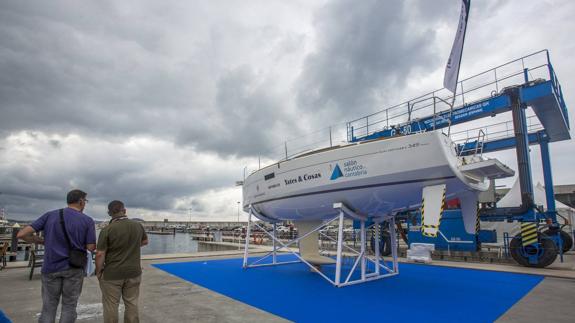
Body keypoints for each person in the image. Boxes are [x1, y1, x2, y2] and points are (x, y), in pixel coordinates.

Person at [17, 189, 96, 323]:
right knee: (69, 306)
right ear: (81, 202)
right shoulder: (87, 220)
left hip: (51, 267)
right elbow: (90, 247)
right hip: (74, 268)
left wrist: (42, 240)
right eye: (85, 201)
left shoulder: (50, 215)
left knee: (48, 307)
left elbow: (22, 234)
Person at [96, 200, 148, 323]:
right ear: (124, 211)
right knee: (132, 303)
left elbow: (100, 254)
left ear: (109, 213)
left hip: (112, 274)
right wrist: (131, 247)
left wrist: (98, 272)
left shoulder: (107, 230)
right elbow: (145, 241)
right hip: (134, 272)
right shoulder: (137, 225)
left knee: (111, 305)